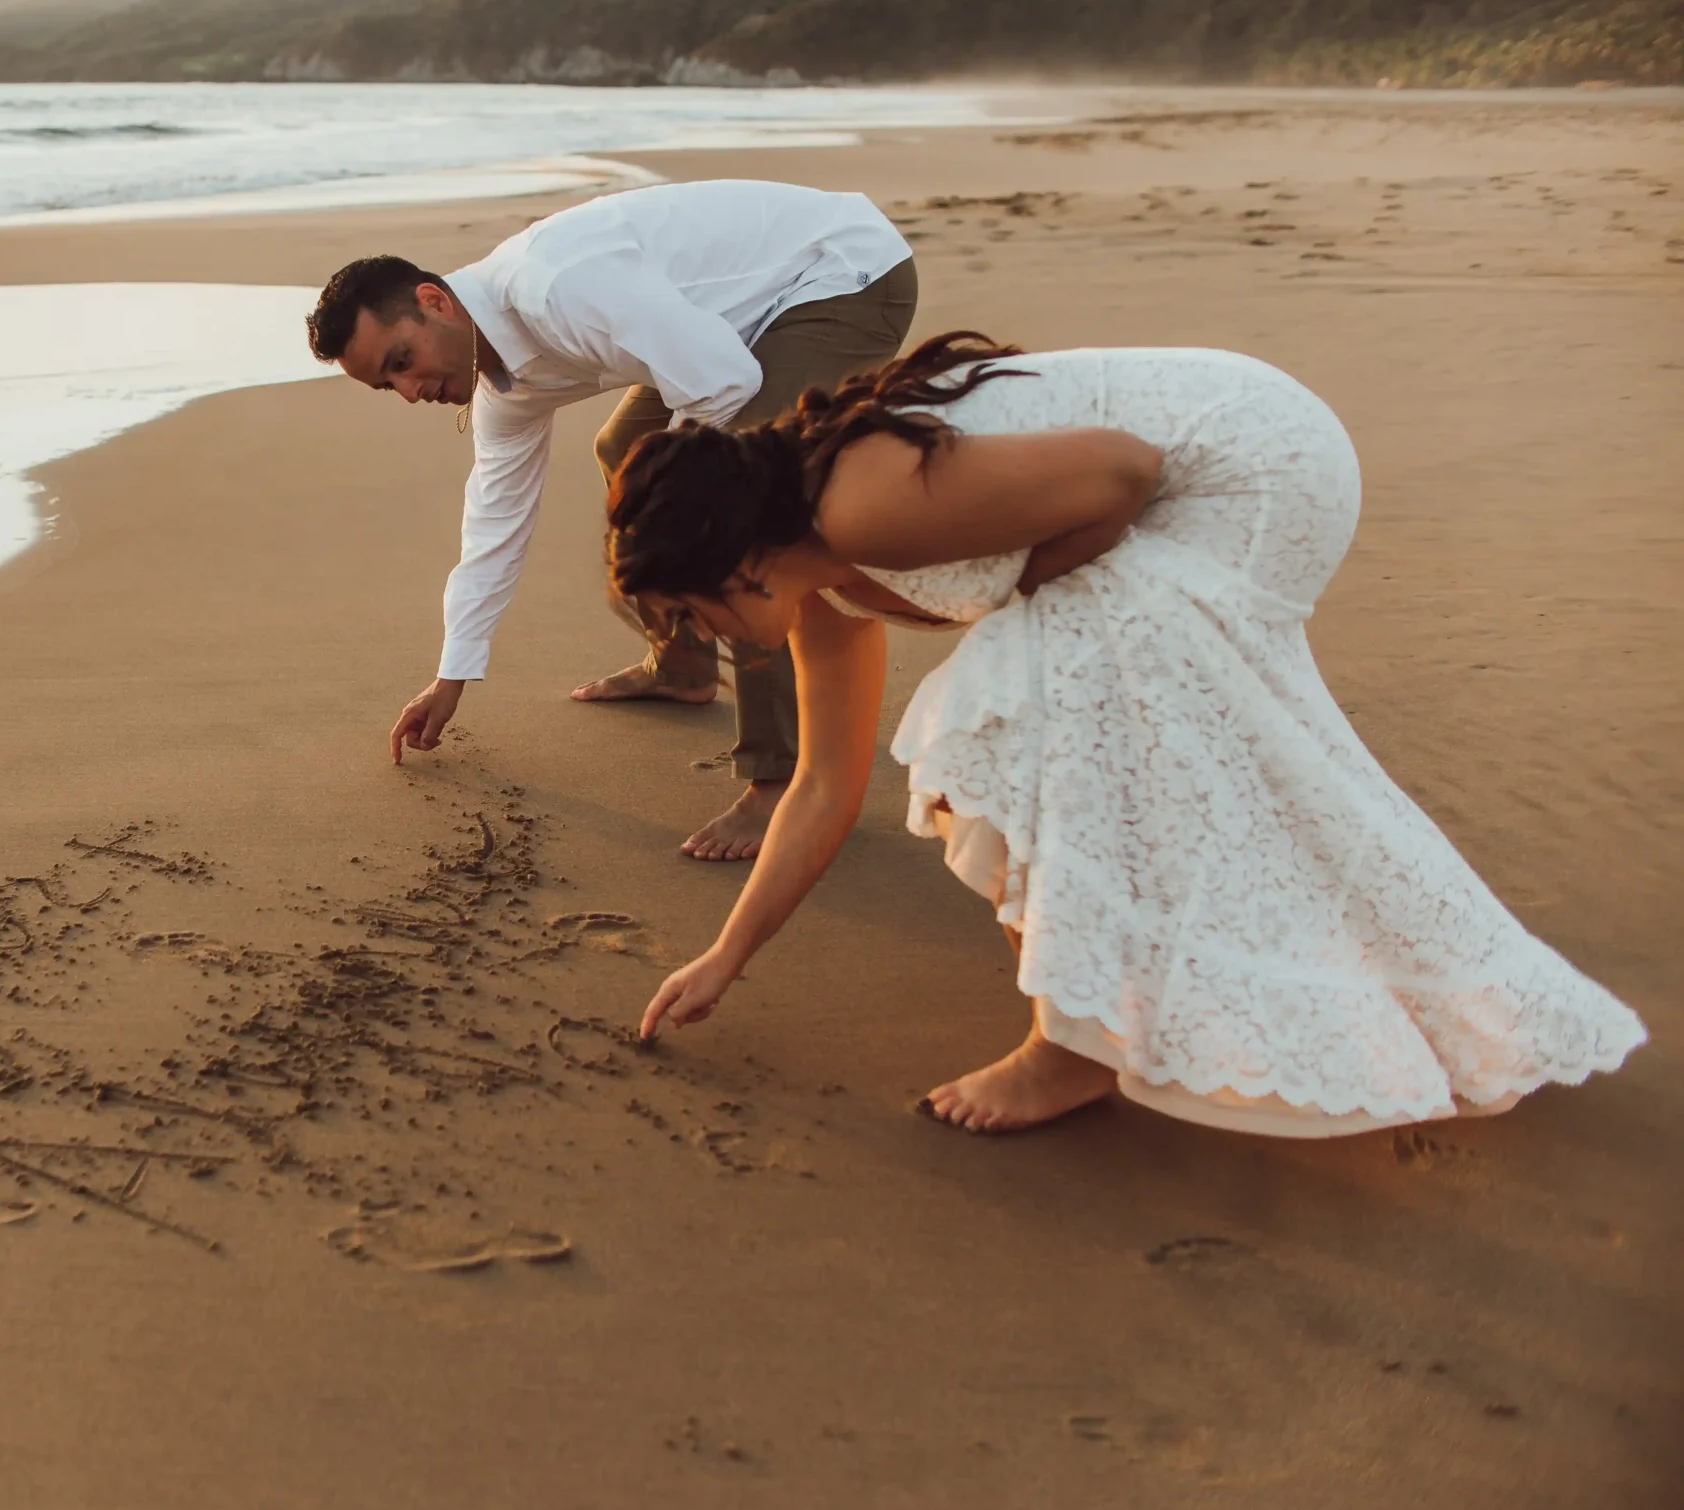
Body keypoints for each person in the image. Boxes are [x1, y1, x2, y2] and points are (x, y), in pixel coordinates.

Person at [605, 333, 1645, 1135]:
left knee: (1007, 707)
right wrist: (724, 958)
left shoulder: (860, 505)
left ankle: (1071, 1047)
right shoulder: (827, 586)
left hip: (1251, 471)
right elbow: (823, 789)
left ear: (735, 560)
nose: (692, 632)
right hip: (1188, 489)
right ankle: (1233, 997)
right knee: (1059, 702)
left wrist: (1032, 606)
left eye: (688, 610)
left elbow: (1123, 472)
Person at [307, 179, 917, 860]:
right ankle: (683, 664)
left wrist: (689, 500)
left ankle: (780, 777)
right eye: (386, 385)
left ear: (433, 301)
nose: (411, 391)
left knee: (731, 509)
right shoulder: (499, 378)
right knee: (625, 451)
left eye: (402, 362)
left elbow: (726, 385)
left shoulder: (558, 291)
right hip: (725, 319)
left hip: (841, 277)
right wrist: (450, 677)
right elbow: (493, 527)